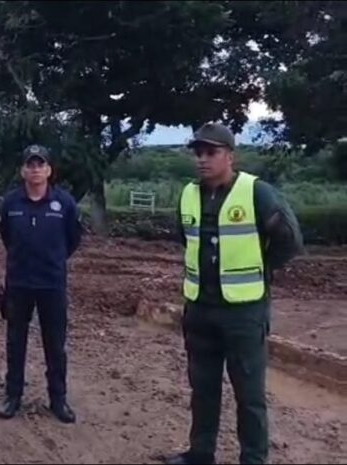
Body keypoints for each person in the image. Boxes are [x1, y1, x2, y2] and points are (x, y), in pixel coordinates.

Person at [164, 123, 303, 465]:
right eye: (198, 153)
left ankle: (253, 459)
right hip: (199, 309)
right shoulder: (187, 195)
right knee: (203, 389)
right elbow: (186, 239)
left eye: (211, 152)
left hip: (243, 312)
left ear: (230, 156)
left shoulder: (257, 193)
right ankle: (200, 454)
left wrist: (261, 269)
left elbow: (290, 241)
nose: (203, 160)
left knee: (249, 395)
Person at [0, 144, 83, 424]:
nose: (35, 169)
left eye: (40, 164)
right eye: (30, 164)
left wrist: (53, 260)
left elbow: (72, 240)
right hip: (19, 284)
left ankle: (58, 399)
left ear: (49, 170)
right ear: (23, 170)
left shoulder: (65, 203)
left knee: (55, 346)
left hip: (52, 285)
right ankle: (13, 396)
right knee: (15, 343)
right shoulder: (11, 203)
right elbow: (6, 237)